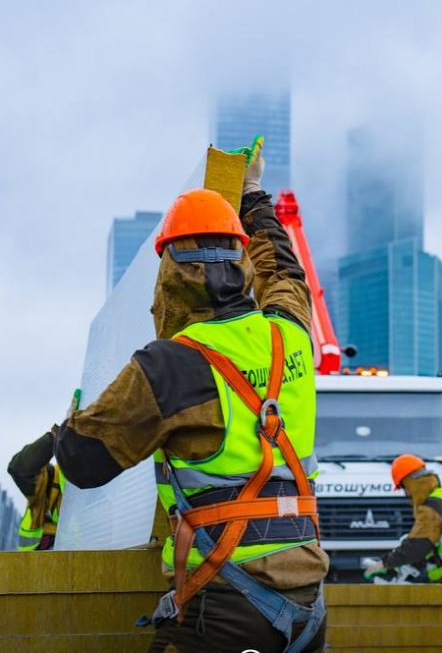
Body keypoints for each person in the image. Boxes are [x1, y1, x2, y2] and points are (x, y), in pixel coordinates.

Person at [53, 144, 328, 653]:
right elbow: (284, 268)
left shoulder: (171, 365)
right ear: (240, 261)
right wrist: (250, 191)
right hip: (308, 608)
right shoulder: (290, 332)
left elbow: (83, 462)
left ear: (171, 276)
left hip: (223, 607)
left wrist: (71, 419)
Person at [364, 454, 442, 584]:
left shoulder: (433, 506)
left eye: (404, 487)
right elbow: (428, 546)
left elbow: (417, 547)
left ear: (410, 482)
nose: (406, 494)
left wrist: (384, 564)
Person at [7, 430, 65, 551]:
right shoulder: (49, 480)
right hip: (34, 563)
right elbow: (19, 469)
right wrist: (58, 434)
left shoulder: (101, 493)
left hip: (77, 563)